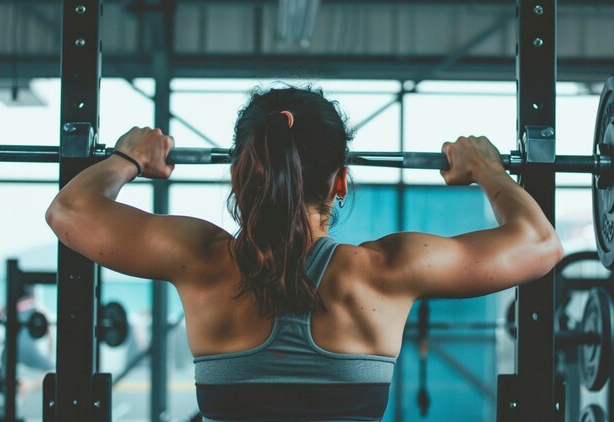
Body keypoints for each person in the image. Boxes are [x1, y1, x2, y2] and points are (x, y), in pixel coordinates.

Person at [45, 87, 563, 421]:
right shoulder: (386, 273)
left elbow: (70, 211)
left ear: (239, 174)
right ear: (340, 181)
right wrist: (489, 171)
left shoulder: (198, 259)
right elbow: (540, 244)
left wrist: (127, 158)